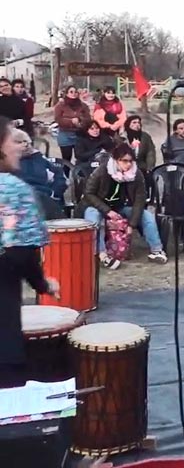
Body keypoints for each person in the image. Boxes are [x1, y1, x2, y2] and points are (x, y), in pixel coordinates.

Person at [0, 117, 61, 388]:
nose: (20, 148)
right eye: (13, 141)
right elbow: (21, 253)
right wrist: (43, 283)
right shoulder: (13, 190)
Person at [78, 143, 168, 269]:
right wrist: (107, 211)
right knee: (92, 216)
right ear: (116, 160)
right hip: (97, 206)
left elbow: (139, 200)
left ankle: (156, 250)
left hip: (119, 206)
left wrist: (132, 224)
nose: (128, 164)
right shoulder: (102, 171)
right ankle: (102, 254)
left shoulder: (136, 174)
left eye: (131, 161)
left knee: (146, 215)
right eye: (124, 161)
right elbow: (89, 193)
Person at [11, 129, 67, 220]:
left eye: (26, 141)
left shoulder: (40, 159)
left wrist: (55, 193)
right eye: (19, 142)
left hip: (46, 197)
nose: (25, 145)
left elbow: (60, 177)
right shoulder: (8, 164)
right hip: (21, 201)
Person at [53, 84, 91, 161]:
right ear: (67, 93)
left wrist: (80, 121)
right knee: (66, 159)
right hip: (65, 134)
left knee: (81, 158)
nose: (74, 94)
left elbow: (88, 119)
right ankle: (65, 173)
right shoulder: (60, 106)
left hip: (79, 134)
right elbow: (58, 119)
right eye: (71, 92)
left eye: (76, 92)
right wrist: (71, 121)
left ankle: (79, 173)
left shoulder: (83, 106)